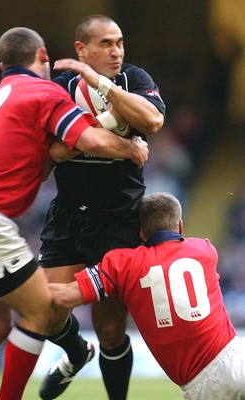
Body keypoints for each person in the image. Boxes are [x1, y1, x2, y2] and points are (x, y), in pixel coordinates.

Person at [0, 26, 149, 400]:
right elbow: (89, 140)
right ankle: (67, 359)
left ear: (3, 66)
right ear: (44, 56)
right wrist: (131, 149)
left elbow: (57, 151)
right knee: (44, 310)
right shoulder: (44, 91)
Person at [38, 14, 166, 400]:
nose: (117, 51)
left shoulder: (134, 79)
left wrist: (101, 87)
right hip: (68, 212)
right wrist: (111, 132)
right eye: (106, 44)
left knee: (110, 327)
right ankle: (76, 352)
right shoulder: (60, 86)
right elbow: (55, 151)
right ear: (82, 49)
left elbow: (153, 120)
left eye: (120, 42)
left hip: (118, 217)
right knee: (44, 312)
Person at [49, 192, 244, 400]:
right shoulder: (204, 249)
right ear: (180, 226)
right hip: (237, 357)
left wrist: (22, 287)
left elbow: (64, 296)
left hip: (204, 386)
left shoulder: (122, 265)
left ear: (142, 234)